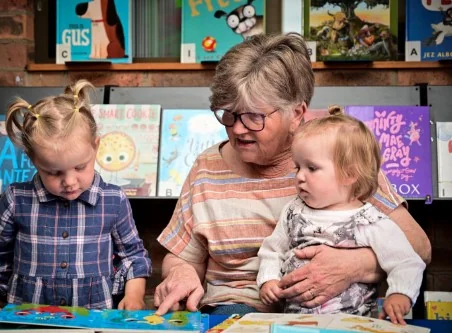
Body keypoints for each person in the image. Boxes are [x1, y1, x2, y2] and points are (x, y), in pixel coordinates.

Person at [154, 33, 431, 316]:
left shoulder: (339, 159)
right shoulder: (207, 167)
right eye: (228, 114)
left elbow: (419, 247)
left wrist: (357, 265)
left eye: (254, 116)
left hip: (339, 312)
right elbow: (182, 256)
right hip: (236, 309)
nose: (237, 128)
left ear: (297, 113)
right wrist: (181, 273)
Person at [0, 80, 152, 318]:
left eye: (80, 167)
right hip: (29, 319)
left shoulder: (113, 199)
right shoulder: (16, 199)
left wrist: (134, 296)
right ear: (34, 160)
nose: (69, 182)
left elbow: (133, 256)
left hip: (96, 318)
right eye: (54, 172)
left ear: (95, 147)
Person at [257, 106, 425, 325]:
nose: (299, 176)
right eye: (298, 167)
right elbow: (272, 250)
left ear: (349, 174)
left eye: (312, 168)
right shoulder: (293, 211)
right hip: (295, 321)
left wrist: (400, 293)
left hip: (353, 323)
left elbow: (405, 260)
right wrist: (268, 279)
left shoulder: (369, 220)